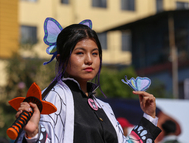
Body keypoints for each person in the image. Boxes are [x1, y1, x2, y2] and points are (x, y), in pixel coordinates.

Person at [14, 18, 161, 143]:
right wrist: (33, 135)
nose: (89, 60)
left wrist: (149, 116)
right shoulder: (53, 98)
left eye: (95, 53)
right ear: (61, 58)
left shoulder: (104, 107)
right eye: (80, 53)